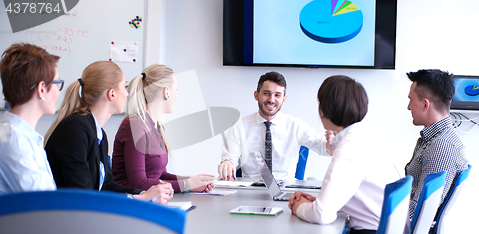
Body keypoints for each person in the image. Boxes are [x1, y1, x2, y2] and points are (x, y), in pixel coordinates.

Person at [288, 76, 401, 234]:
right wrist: (318, 201)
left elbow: (321, 214)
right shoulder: (367, 135)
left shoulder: (351, 146)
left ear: (322, 110)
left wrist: (298, 207)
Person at [44, 61, 172, 204]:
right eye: (124, 87)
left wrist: (146, 194)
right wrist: (138, 198)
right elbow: (81, 195)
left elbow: (107, 186)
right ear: (111, 94)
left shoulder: (99, 134)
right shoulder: (74, 130)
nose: (127, 93)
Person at [112, 64, 214, 193]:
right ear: (166, 92)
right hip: (129, 202)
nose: (177, 95)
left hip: (149, 199)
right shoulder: (135, 126)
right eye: (176, 89)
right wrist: (187, 184)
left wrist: (194, 181)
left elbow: (159, 175)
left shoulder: (157, 127)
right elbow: (139, 183)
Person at [218, 71, 334, 180]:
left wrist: (330, 145)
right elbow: (229, 158)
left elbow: (324, 148)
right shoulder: (240, 126)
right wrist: (227, 163)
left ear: (284, 99)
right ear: (256, 95)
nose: (271, 100)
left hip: (286, 188)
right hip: (250, 187)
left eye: (277, 95)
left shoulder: (296, 126)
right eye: (266, 93)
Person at [405, 69, 468, 220]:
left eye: (410, 100)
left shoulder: (441, 146)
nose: (408, 107)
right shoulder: (432, 139)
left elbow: (418, 212)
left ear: (425, 105)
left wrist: (376, 215)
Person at [0, 43, 61, 194]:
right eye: (57, 83)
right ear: (41, 89)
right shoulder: (16, 142)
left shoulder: (20, 136)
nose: (59, 93)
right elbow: (43, 207)